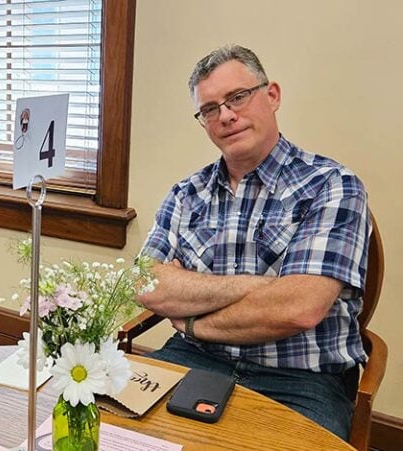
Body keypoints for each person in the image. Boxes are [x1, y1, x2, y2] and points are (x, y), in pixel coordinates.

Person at [138, 45, 369, 440]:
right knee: (112, 433)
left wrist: (192, 321)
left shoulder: (332, 186)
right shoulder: (185, 194)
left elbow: (299, 309)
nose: (226, 115)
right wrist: (266, 288)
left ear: (272, 95)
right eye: (210, 109)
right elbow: (145, 283)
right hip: (193, 359)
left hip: (301, 380)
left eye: (238, 97)